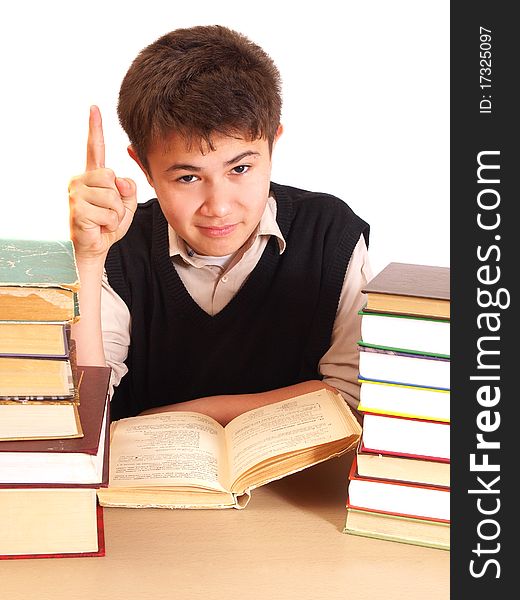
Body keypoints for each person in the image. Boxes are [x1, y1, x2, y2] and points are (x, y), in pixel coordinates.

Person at [68, 24, 372, 426]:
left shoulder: (330, 234)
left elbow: (352, 398)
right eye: (187, 178)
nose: (219, 206)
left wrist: (188, 414)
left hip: (300, 486)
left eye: (241, 168)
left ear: (272, 144)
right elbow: (85, 413)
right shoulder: (118, 246)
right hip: (148, 487)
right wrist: (89, 261)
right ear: (144, 167)